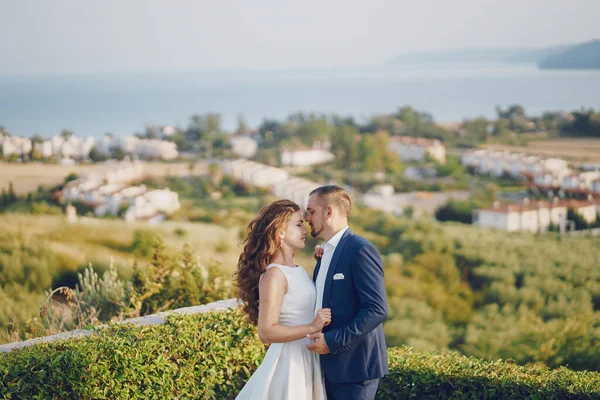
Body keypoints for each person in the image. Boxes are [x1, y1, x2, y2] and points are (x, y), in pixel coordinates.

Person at [235, 199, 330, 400]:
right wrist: (311, 327)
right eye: (298, 224)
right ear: (280, 232)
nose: (305, 230)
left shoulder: (298, 270)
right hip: (289, 363)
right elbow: (266, 332)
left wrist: (322, 265)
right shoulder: (274, 275)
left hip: (306, 356)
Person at [304, 185, 388, 400]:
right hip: (328, 369)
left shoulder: (360, 249)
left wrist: (332, 341)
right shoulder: (325, 253)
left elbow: (376, 309)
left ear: (329, 211)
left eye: (311, 211)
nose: (307, 218)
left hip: (355, 371)